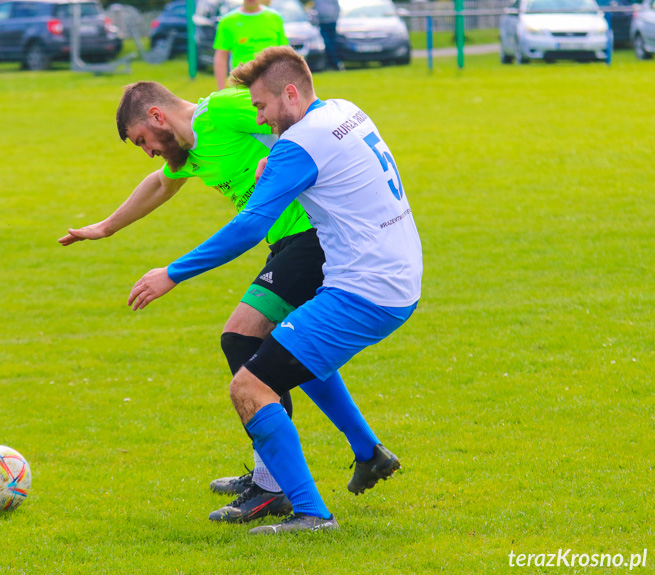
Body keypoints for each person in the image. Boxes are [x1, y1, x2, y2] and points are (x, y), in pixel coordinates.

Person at [58, 81, 400, 525]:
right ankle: (366, 452)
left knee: (242, 339)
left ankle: (273, 487)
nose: (147, 151)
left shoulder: (223, 110)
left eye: (143, 140)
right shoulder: (190, 151)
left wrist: (275, 157)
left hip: (312, 237)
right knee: (293, 352)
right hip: (287, 244)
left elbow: (299, 117)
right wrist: (106, 227)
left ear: (158, 116)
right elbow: (161, 184)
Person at [128, 46, 423, 534]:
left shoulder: (296, 147)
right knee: (284, 349)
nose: (259, 119)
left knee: (249, 382)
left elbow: (248, 228)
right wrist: (276, 168)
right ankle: (362, 456)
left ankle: (306, 510)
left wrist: (172, 273)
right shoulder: (345, 111)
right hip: (396, 275)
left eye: (262, 107)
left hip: (365, 290)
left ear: (290, 93)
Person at [213, 0, 288, 90]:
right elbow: (221, 57)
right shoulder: (227, 21)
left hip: (271, 86)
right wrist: (221, 89)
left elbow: (284, 55)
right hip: (241, 85)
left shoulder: (275, 18)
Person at [314, 0, 343, 70]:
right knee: (326, 43)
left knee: (330, 43)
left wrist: (335, 18)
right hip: (322, 22)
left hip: (331, 21)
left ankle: (334, 62)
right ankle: (332, 62)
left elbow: (337, 7)